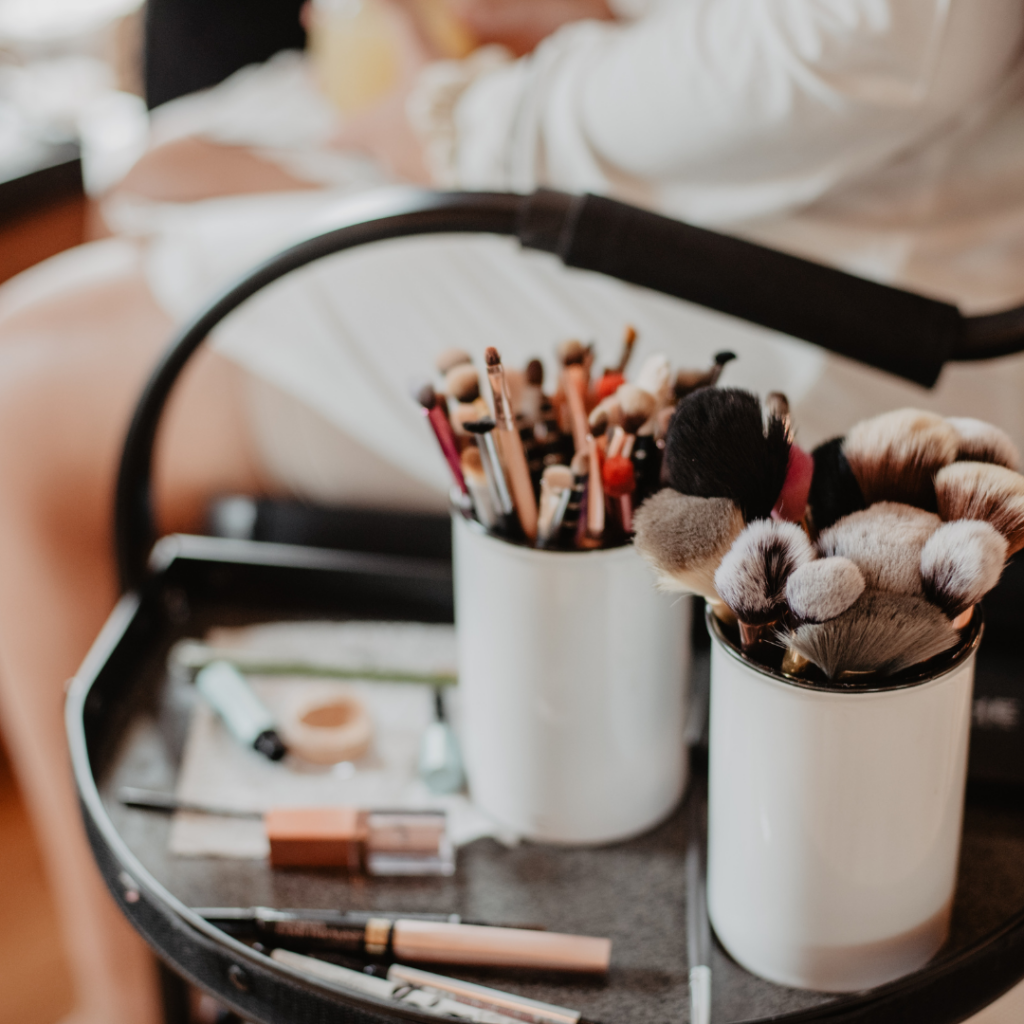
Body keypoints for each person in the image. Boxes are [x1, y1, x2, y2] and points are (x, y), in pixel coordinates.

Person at [3, 2, 1024, 1021]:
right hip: (688, 154)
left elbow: (902, 37)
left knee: (24, 395)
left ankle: (114, 1002)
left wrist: (464, 116)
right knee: (156, 173)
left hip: (837, 269)